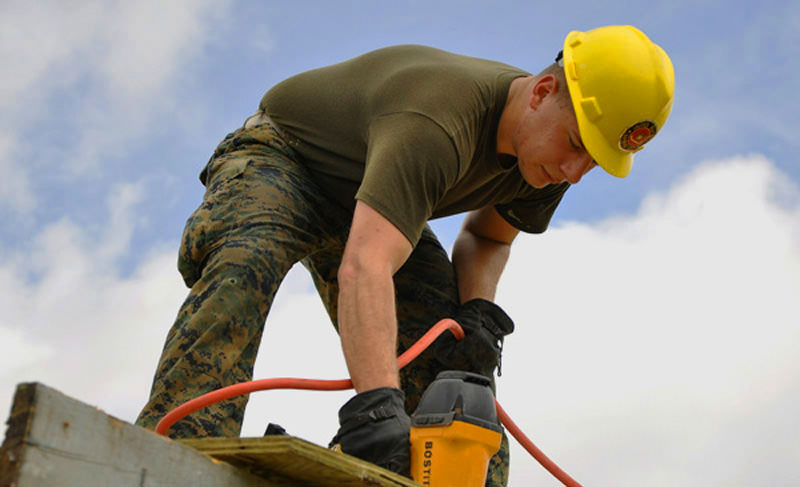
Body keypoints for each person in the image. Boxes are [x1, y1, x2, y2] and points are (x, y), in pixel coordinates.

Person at [136, 25, 674, 486]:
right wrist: (375, 409)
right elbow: (365, 266)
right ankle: (174, 450)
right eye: (577, 145)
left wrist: (476, 310)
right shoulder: (438, 122)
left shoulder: (549, 158)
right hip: (286, 159)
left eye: (596, 161)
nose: (575, 172)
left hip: (372, 203)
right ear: (542, 93)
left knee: (453, 366)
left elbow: (487, 239)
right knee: (245, 265)